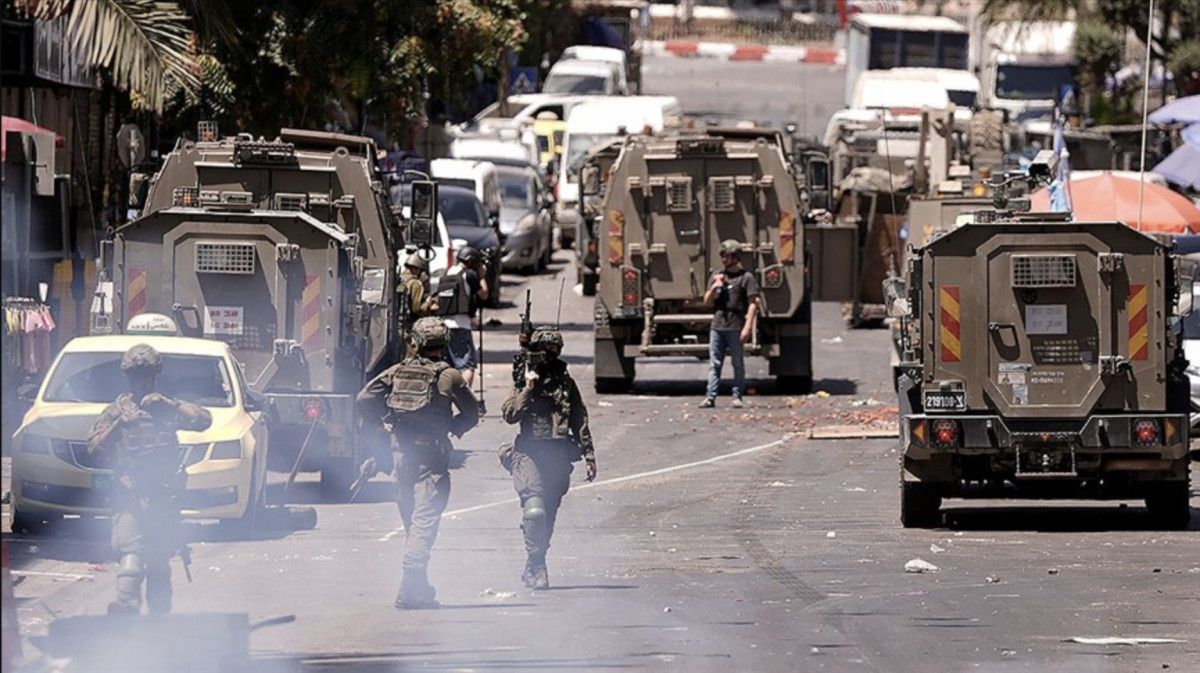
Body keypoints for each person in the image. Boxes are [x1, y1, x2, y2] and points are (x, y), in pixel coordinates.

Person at [356, 317, 480, 609]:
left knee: (413, 524)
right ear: (443, 343)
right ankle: (408, 586)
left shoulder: (397, 371)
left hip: (401, 457)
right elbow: (472, 413)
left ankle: (418, 589)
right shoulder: (449, 376)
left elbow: (363, 399)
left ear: (416, 342)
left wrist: (381, 425)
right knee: (424, 524)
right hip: (431, 459)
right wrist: (452, 427)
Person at [86, 344, 212, 615]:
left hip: (162, 499)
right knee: (130, 563)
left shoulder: (165, 407)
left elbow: (204, 420)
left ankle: (158, 629)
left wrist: (169, 404)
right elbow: (94, 448)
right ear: (128, 377)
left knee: (158, 567)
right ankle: (125, 623)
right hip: (130, 498)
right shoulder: (116, 411)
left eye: (147, 376)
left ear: (156, 376)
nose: (142, 382)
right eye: (136, 376)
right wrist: (119, 424)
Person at [501, 326, 596, 590]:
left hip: (557, 456)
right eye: (544, 351)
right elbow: (510, 415)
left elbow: (579, 418)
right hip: (528, 454)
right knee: (535, 511)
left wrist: (589, 454)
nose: (548, 357)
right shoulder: (524, 380)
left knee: (548, 517)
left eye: (553, 351)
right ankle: (537, 566)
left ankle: (534, 562)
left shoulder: (565, 382)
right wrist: (528, 389)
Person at [700, 239, 760, 408]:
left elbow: (753, 303)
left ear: (735, 257)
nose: (724, 259)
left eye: (727, 256)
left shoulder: (746, 278)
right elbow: (706, 302)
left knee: (737, 363)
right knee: (714, 363)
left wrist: (747, 327)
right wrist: (714, 287)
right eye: (722, 256)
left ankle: (737, 396)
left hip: (735, 326)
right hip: (717, 326)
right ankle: (710, 397)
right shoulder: (718, 275)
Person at [437, 245, 489, 387]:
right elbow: (484, 294)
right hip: (461, 325)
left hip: (444, 325)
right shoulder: (469, 275)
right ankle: (465, 397)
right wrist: (481, 277)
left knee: (447, 367)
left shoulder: (448, 272)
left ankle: (447, 396)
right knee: (467, 365)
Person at [398, 255, 439, 357]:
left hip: (397, 323)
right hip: (409, 325)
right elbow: (417, 309)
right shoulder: (415, 283)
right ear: (416, 269)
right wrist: (428, 302)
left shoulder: (399, 279)